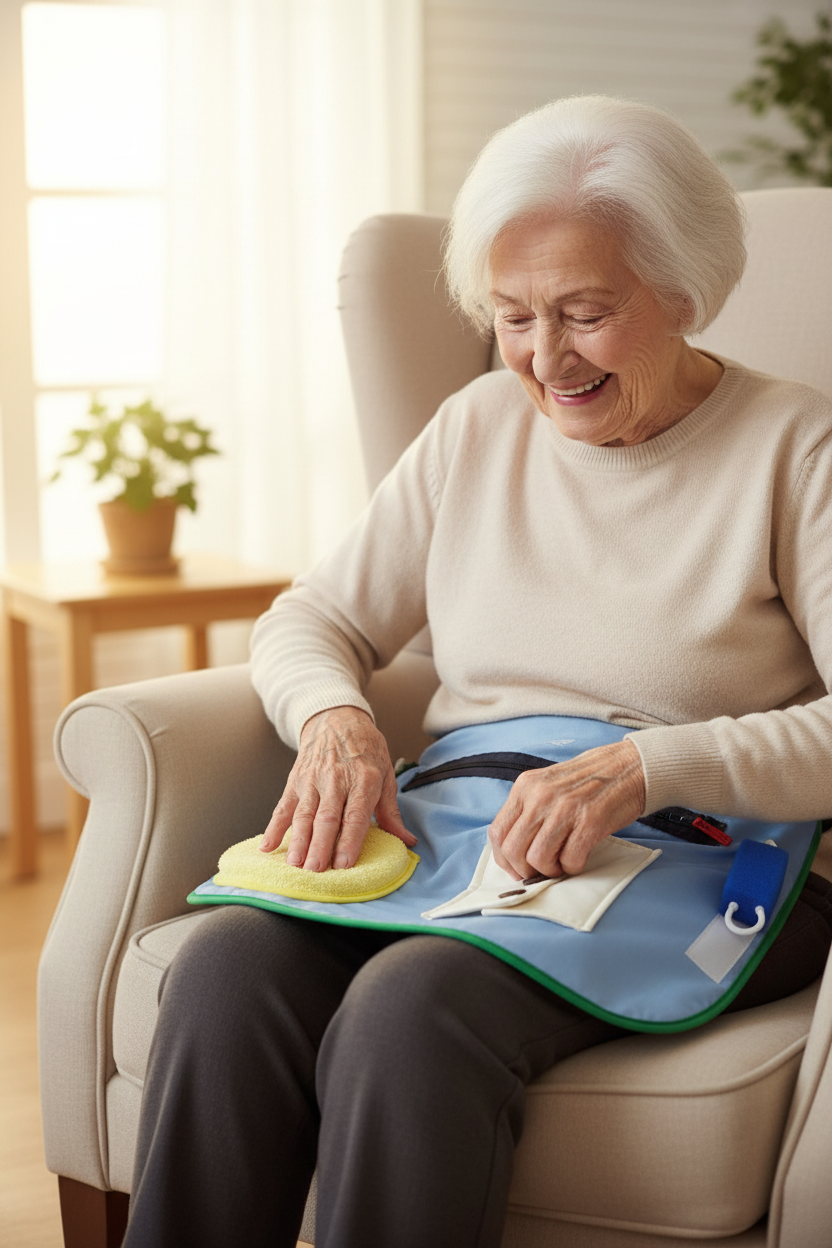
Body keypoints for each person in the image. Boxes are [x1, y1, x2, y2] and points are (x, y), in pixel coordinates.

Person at [123, 95, 832, 1248]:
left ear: (683, 291)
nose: (545, 358)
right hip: (470, 831)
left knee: (411, 1008)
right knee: (226, 967)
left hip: (716, 856)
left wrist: (645, 767)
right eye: (512, 316)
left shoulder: (795, 447)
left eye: (585, 313)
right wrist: (337, 721)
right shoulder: (475, 426)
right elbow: (310, 619)